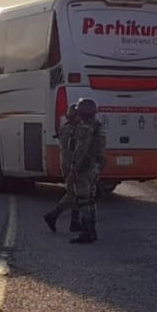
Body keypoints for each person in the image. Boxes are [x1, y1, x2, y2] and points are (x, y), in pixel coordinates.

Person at [64, 98, 106, 244]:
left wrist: (74, 168)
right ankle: (92, 231)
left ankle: (86, 232)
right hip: (95, 166)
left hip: (85, 167)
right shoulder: (98, 126)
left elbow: (81, 150)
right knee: (91, 199)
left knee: (83, 200)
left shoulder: (85, 128)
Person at [43, 105, 82, 233]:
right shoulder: (70, 130)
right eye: (78, 115)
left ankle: (74, 222)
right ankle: (53, 215)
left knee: (77, 193)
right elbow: (71, 151)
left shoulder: (70, 128)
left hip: (70, 164)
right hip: (70, 165)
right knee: (73, 194)